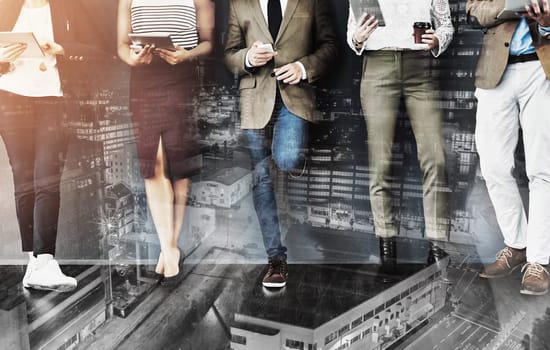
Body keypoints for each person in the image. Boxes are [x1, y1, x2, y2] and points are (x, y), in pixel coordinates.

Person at [224, 0, 337, 288]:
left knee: (286, 158)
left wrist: (303, 67)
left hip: (295, 95)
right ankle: (276, 258)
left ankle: (296, 157)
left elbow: (330, 46)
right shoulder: (240, 3)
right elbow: (229, 55)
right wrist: (247, 58)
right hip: (254, 100)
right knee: (261, 180)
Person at [0, 0, 109, 292]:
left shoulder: (68, 7)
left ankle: (45, 259)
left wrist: (63, 48)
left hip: (55, 100)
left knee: (47, 179)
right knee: (24, 181)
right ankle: (35, 264)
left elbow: (101, 50)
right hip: (10, 99)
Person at [347, 0, 454, 265]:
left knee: (435, 156)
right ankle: (386, 241)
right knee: (380, 161)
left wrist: (436, 39)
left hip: (420, 68)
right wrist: (357, 38)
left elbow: (447, 27)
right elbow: (353, 34)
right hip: (378, 66)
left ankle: (437, 243)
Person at [117, 0, 214, 285]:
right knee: (154, 164)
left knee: (179, 167)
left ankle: (169, 248)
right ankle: (170, 249)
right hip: (144, 82)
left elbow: (208, 42)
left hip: (182, 81)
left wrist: (186, 55)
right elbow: (121, 46)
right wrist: (133, 58)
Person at [467, 0, 550, 295]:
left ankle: (538, 261)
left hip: (543, 69)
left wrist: (546, 22)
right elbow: (475, 10)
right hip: (495, 72)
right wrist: (512, 5)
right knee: (493, 166)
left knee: (543, 170)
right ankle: (517, 245)